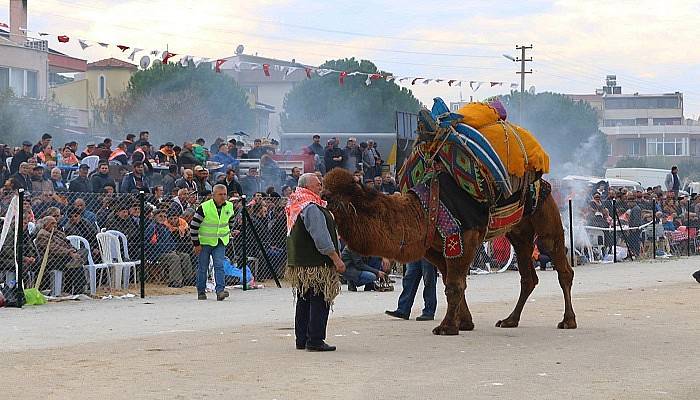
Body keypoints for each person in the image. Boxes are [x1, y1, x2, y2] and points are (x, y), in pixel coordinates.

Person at [285, 173, 345, 351]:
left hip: (301, 263)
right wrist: (336, 258)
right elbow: (321, 237)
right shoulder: (311, 207)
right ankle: (315, 339)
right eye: (318, 184)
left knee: (304, 300)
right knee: (319, 300)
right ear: (308, 186)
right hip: (317, 264)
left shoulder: (296, 205)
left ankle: (302, 339)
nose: (321, 186)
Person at [189, 184, 236, 301]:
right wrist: (196, 244)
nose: (223, 197)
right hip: (204, 243)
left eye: (225, 194)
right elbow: (194, 226)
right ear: (213, 195)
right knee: (203, 267)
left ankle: (220, 291)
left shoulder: (229, 206)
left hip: (220, 242)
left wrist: (227, 234)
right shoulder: (204, 207)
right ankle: (201, 291)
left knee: (219, 266)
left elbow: (231, 222)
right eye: (220, 194)